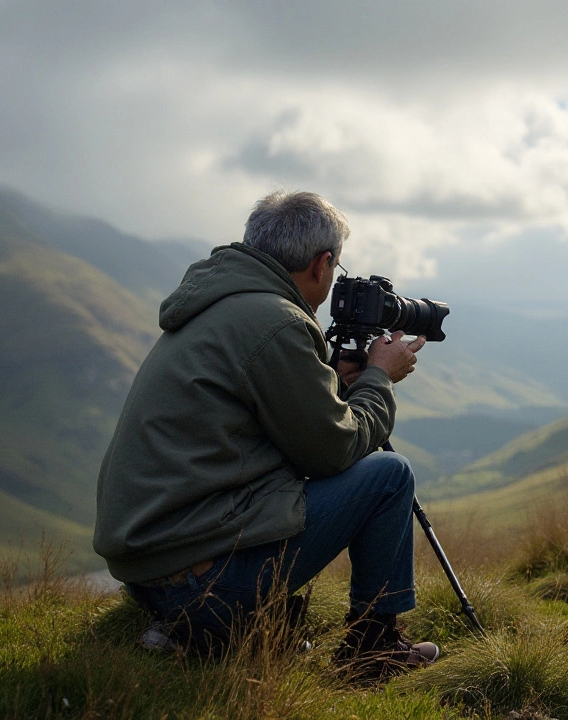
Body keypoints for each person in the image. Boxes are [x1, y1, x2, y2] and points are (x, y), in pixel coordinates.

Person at [93, 190, 437, 674]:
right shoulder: (277, 322)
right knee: (390, 475)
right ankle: (373, 650)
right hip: (197, 583)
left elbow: (249, 420)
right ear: (322, 264)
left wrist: (330, 382)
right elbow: (333, 451)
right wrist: (379, 378)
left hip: (146, 574)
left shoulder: (218, 303)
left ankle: (206, 630)